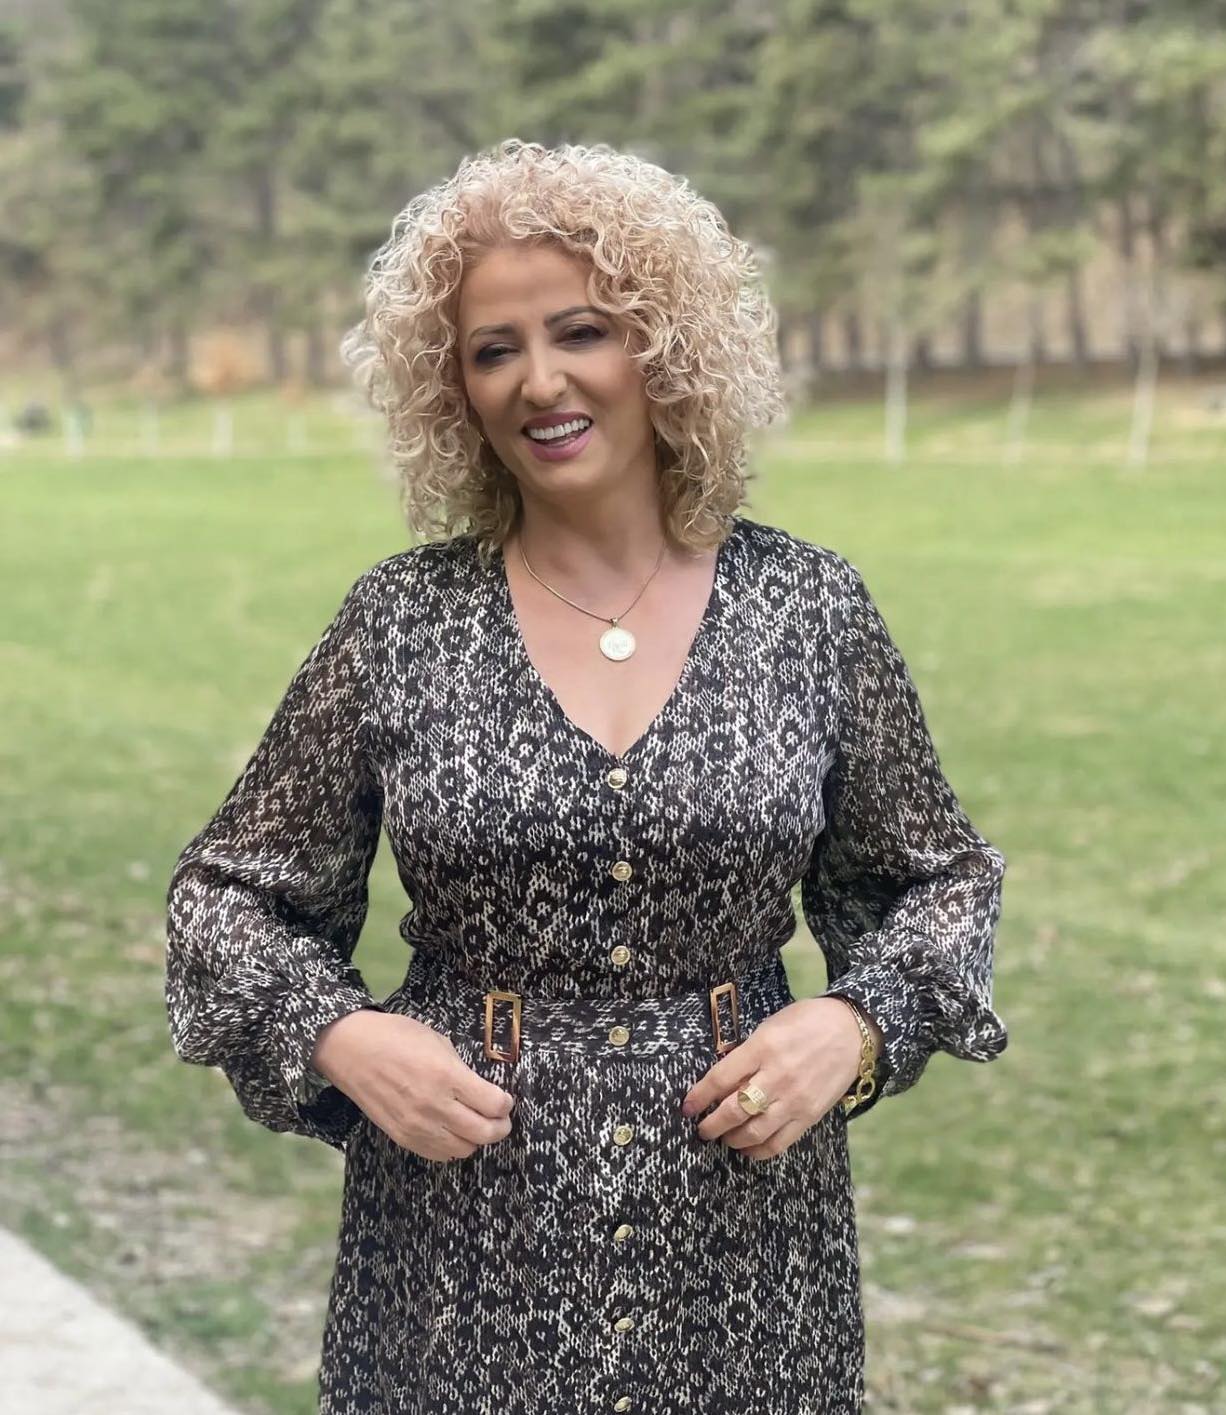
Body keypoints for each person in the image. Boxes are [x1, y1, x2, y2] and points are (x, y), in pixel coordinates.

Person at [164, 137, 1009, 1415]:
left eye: (581, 332)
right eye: (491, 350)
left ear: (662, 347)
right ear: (451, 388)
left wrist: (854, 1023)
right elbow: (222, 896)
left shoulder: (807, 609)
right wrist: (340, 1034)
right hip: (455, 1255)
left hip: (746, 1251)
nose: (538, 381)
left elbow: (940, 879)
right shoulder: (401, 622)